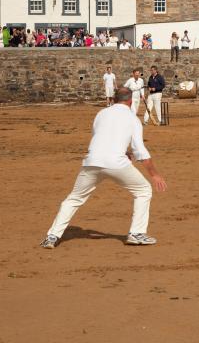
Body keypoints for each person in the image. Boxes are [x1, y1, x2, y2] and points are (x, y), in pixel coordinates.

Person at [39, 87, 168, 249]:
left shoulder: (101, 114)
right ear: (130, 101)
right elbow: (140, 151)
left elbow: (100, 136)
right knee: (143, 190)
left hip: (92, 161)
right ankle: (136, 233)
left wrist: (123, 151)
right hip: (116, 163)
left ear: (114, 99)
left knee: (74, 198)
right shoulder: (132, 118)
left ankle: (52, 236)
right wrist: (154, 175)